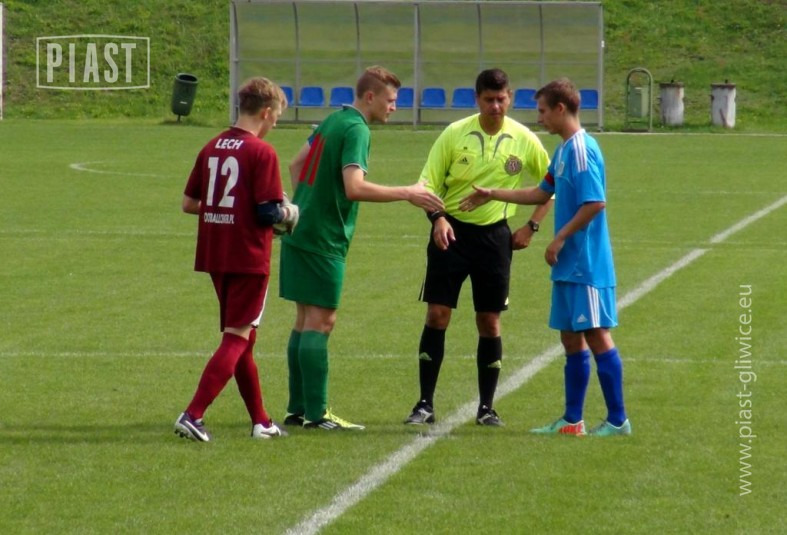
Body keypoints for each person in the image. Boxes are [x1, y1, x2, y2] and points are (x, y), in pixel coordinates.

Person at [459, 78, 631, 437]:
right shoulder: (564, 150)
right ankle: (572, 421)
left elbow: (595, 203)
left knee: (597, 335)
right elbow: (540, 193)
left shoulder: (581, 149)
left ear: (560, 109)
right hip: (569, 264)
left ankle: (617, 420)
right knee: (570, 339)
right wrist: (492, 193)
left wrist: (559, 238)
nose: (539, 118)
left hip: (585, 262)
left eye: (542, 111)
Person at [280, 66, 445, 431]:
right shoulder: (357, 128)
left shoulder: (332, 120)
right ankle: (317, 414)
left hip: (300, 229)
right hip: (324, 238)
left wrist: (307, 203)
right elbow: (354, 187)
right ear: (370, 97)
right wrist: (408, 193)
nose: (394, 107)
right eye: (391, 100)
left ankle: (298, 408)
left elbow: (296, 163)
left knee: (304, 318)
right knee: (322, 321)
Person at [404, 68, 551, 428]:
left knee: (489, 320)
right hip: (450, 234)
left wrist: (531, 226)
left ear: (510, 97)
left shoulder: (524, 139)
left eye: (501, 99)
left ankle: (487, 408)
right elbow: (425, 185)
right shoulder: (455, 134)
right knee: (437, 314)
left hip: (495, 239)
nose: (496, 106)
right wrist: (438, 218)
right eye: (489, 100)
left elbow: (553, 185)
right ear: (477, 99)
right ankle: (424, 404)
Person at [174, 77, 299, 442]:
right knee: (236, 338)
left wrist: (229, 211)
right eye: (276, 117)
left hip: (216, 251)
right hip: (248, 256)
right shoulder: (262, 152)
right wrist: (289, 213)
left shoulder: (212, 146)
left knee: (243, 338)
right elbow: (266, 214)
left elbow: (189, 203)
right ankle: (193, 414)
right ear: (266, 112)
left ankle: (261, 421)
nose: (275, 124)